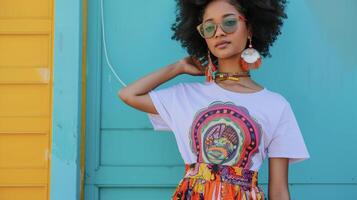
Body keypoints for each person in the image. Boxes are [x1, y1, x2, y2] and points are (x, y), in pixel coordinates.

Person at [118, 0, 310, 199]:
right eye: (209, 27)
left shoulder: (276, 106)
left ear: (250, 28)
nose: (218, 32)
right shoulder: (185, 96)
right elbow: (129, 94)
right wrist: (179, 67)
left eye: (229, 22)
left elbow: (279, 191)